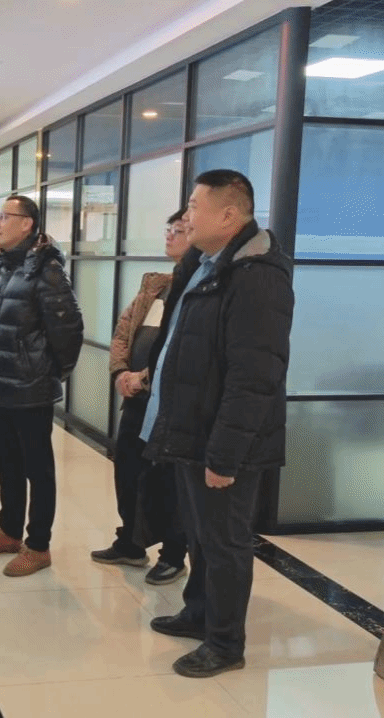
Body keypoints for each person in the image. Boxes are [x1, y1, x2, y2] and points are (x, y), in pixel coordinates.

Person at [141, 170, 294, 678]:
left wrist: (226, 455)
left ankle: (226, 643)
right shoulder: (204, 264)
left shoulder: (256, 275)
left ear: (229, 215)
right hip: (192, 428)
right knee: (201, 534)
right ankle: (199, 613)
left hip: (223, 439)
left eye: (194, 206)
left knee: (225, 542)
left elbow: (255, 375)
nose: (186, 216)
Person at [0, 195, 82, 577]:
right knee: (6, 463)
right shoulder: (0, 267)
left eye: (5, 216)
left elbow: (68, 330)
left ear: (27, 223)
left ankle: (38, 545)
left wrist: (48, 373)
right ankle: (9, 531)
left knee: (38, 469)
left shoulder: (46, 269)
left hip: (31, 388)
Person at [92, 210, 191, 584]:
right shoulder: (155, 287)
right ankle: (130, 543)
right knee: (128, 471)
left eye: (179, 230)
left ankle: (173, 554)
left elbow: (178, 349)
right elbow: (123, 332)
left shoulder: (197, 289)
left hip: (169, 402)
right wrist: (121, 373)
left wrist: (144, 378)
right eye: (168, 229)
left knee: (166, 479)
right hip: (135, 398)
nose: (170, 235)